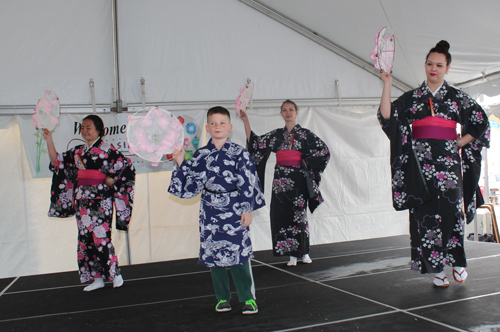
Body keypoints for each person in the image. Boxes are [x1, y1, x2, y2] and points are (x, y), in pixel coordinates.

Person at [378, 40, 490, 287]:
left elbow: (480, 121)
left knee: (452, 214)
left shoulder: (456, 97)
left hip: (449, 166)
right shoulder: (412, 98)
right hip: (420, 168)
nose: (433, 68)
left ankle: (457, 261)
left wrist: (461, 142)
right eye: (430, 63)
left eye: (439, 65)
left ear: (447, 68)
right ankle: (437, 269)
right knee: (424, 216)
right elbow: (388, 118)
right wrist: (387, 84)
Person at [168, 106, 265, 314]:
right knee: (214, 255)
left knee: (239, 254)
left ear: (229, 127)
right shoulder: (202, 154)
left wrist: (247, 209)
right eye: (213, 123)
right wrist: (180, 162)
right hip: (210, 209)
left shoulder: (240, 153)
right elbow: (191, 185)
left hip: (235, 207)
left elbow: (248, 182)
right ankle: (222, 298)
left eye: (222, 123)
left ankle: (248, 298)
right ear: (207, 128)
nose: (217, 126)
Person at [43, 115, 135, 291]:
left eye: (89, 127)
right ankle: (97, 278)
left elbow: (126, 166)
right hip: (82, 201)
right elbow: (57, 162)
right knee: (86, 240)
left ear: (99, 130)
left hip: (101, 200)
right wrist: (49, 139)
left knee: (101, 238)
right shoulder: (78, 151)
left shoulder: (108, 150)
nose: (85, 131)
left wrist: (111, 178)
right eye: (83, 128)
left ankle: (115, 274)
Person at [240, 100, 330, 266]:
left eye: (291, 109)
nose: (288, 113)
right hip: (280, 181)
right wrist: (245, 121)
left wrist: (305, 162)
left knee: (299, 216)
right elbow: (256, 143)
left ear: (297, 112)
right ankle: (291, 255)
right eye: (284, 110)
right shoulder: (276, 135)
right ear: (281, 113)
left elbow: (323, 151)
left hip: (298, 180)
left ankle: (304, 252)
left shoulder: (305, 134)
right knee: (282, 215)